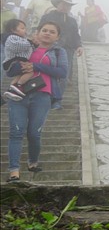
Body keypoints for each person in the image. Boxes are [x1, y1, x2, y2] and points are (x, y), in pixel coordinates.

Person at [5, 21, 68, 182]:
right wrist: (23, 67)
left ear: (57, 36)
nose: (47, 33)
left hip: (42, 95)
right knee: (16, 132)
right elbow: (10, 71)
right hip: (19, 95)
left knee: (34, 133)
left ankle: (32, 162)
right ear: (38, 32)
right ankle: (14, 171)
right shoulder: (26, 46)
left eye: (52, 32)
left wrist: (36, 66)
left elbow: (62, 72)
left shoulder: (59, 52)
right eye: (44, 30)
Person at [39, 0, 82, 102]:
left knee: (64, 76)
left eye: (69, 5)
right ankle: (44, 97)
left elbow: (75, 35)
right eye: (64, 4)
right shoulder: (47, 17)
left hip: (67, 50)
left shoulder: (72, 21)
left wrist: (79, 46)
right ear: (58, 4)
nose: (66, 7)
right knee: (45, 73)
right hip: (48, 48)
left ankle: (57, 100)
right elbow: (39, 31)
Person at [3, 19, 38, 101]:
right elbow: (18, 46)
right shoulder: (11, 37)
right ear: (13, 29)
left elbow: (29, 49)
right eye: (22, 28)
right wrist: (30, 42)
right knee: (30, 71)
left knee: (21, 74)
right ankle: (18, 85)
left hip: (18, 62)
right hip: (13, 63)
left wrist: (34, 45)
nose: (25, 30)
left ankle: (11, 90)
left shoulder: (21, 39)